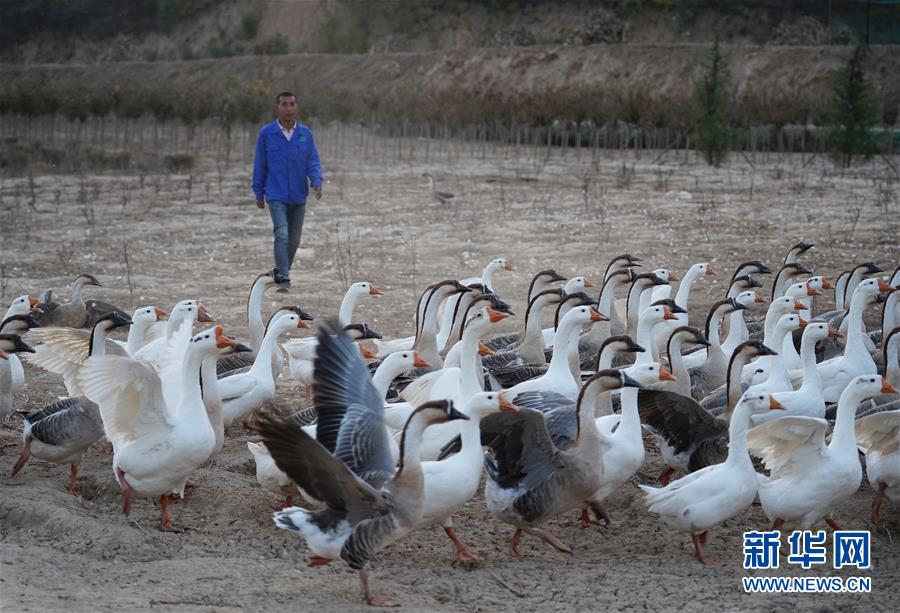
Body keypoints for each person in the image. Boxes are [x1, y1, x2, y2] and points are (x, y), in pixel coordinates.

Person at [252, 91, 323, 291]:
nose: (289, 108)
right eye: (284, 104)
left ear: (296, 106)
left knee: (294, 239)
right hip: (276, 193)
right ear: (278, 107)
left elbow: (312, 160)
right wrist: (258, 192)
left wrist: (316, 180)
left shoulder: (305, 134)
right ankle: (283, 280)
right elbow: (260, 164)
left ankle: (283, 271)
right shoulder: (267, 134)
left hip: (298, 195)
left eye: (292, 104)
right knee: (282, 234)